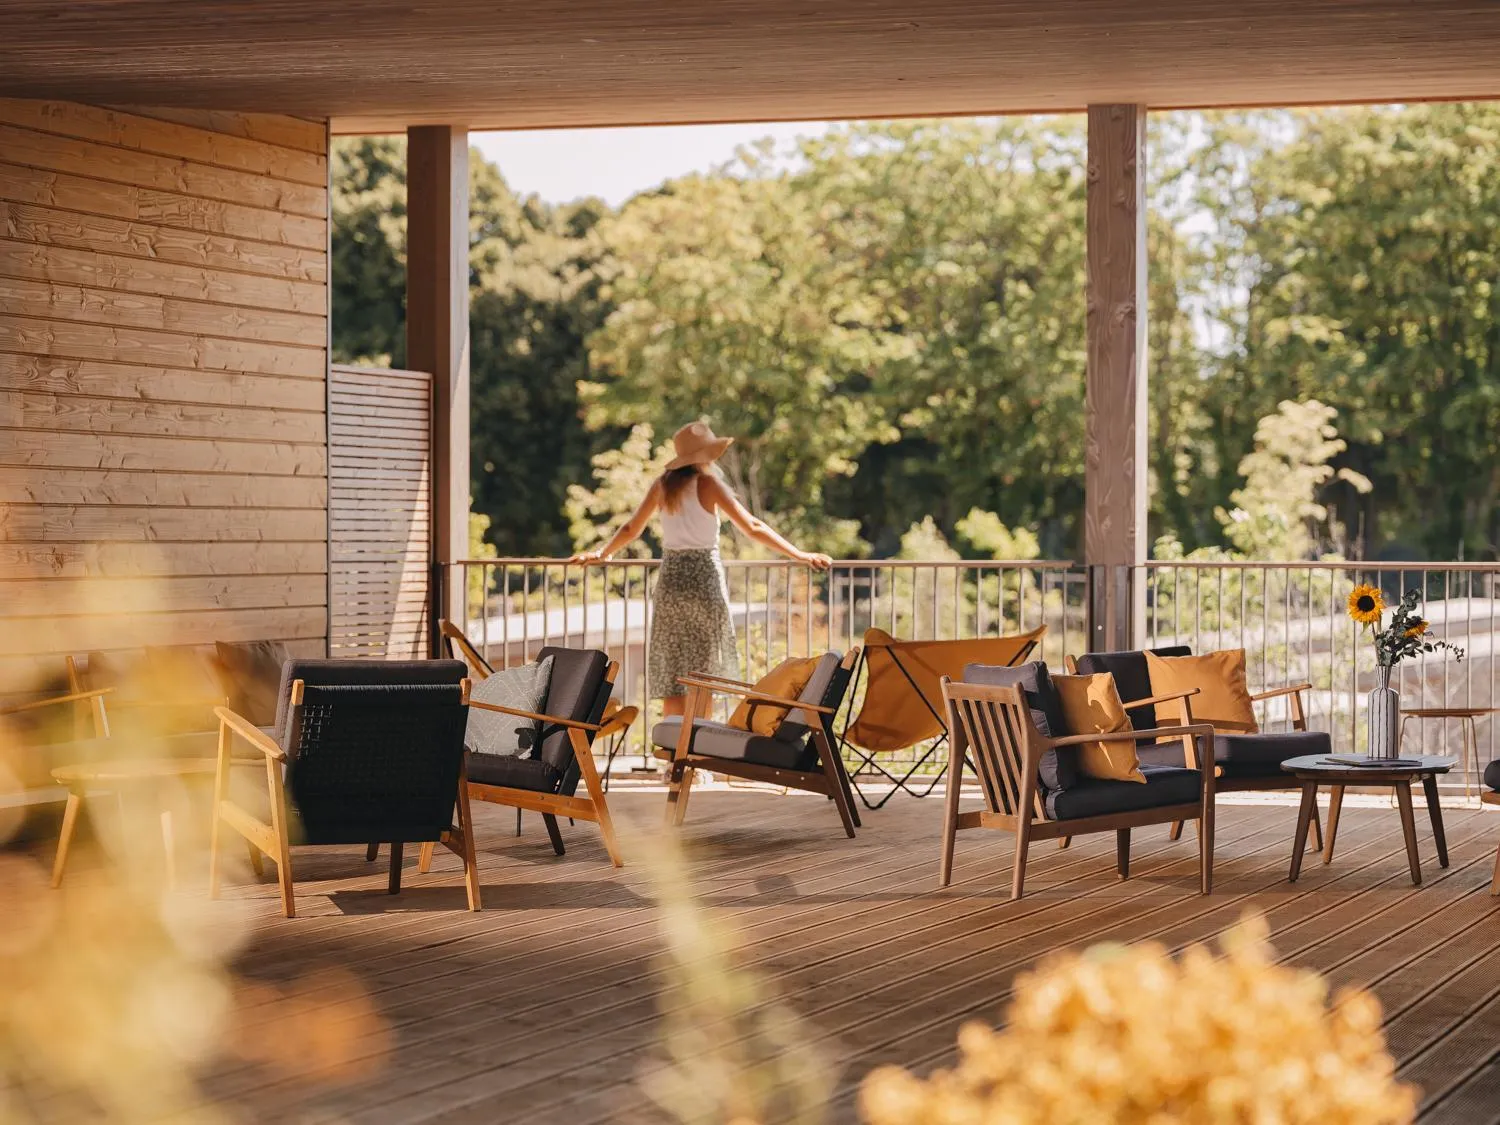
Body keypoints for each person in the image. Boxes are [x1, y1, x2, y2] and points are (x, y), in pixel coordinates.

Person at [569, 422, 832, 715]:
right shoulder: (709, 485)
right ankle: (694, 750)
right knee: (703, 672)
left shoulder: (663, 485)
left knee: (674, 670)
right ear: (703, 455)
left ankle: (672, 755)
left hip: (671, 581)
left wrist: (602, 554)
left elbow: (632, 527)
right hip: (703, 579)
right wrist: (799, 554)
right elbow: (752, 527)